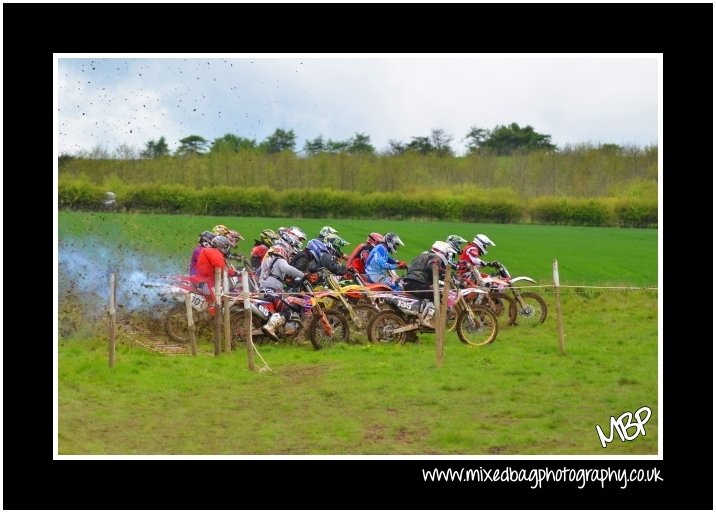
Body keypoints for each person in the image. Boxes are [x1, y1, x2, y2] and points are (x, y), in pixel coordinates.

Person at [401, 241, 457, 328]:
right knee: (438, 294)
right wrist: (446, 273)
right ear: (443, 251)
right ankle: (428, 320)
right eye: (447, 254)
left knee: (431, 292)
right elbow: (431, 268)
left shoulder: (423, 255)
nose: (447, 256)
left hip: (409, 282)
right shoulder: (435, 257)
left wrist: (441, 274)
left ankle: (418, 318)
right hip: (418, 283)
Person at [258, 244, 306, 341]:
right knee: (287, 310)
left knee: (279, 309)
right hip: (271, 290)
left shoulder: (269, 261)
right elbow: (287, 269)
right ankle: (270, 327)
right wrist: (302, 275)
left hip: (264, 289)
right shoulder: (280, 260)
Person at [191, 235, 237, 315]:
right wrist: (236, 273)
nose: (227, 249)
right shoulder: (213, 252)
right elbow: (222, 269)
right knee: (214, 303)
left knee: (219, 296)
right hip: (203, 282)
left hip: (208, 280)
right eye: (226, 247)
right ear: (221, 245)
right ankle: (209, 320)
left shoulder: (212, 252)